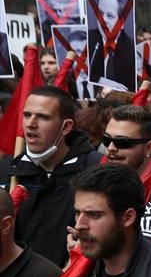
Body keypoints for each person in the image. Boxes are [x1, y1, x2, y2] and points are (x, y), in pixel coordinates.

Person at [1, 86, 103, 265]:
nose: (31, 124)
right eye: (27, 115)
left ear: (66, 127)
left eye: (43, 117)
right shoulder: (7, 168)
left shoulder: (96, 170)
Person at [102, 104, 151, 241]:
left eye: (122, 142)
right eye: (107, 140)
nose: (111, 148)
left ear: (149, 147)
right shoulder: (98, 183)